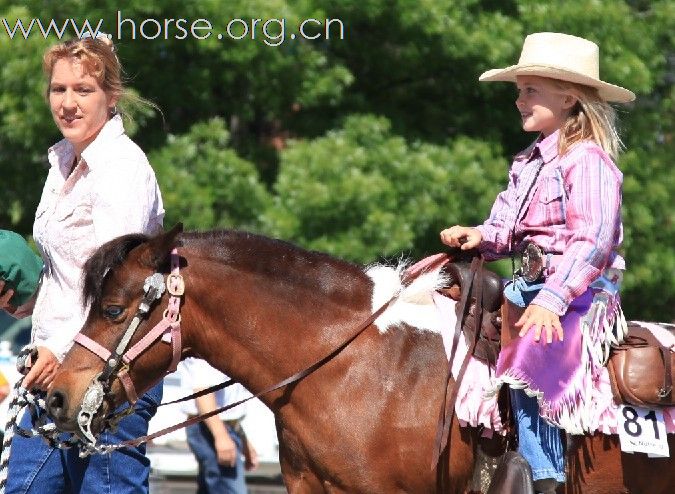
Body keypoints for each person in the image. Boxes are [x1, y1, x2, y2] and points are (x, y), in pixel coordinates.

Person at [440, 32, 634, 493]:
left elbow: (593, 240)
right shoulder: (528, 161)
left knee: (530, 364)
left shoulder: (586, 160)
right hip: (525, 288)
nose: (518, 101)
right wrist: (480, 236)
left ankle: (543, 480)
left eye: (530, 90)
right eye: (518, 90)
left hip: (579, 293)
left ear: (568, 97)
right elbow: (506, 227)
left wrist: (552, 297)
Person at [5, 32, 165, 494]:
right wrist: (30, 297)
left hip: (111, 379)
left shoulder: (121, 171)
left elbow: (119, 287)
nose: (68, 102)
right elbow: (74, 275)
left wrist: (59, 346)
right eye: (59, 89)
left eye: (83, 90)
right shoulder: (62, 164)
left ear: (111, 96)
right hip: (52, 370)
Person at [179, 358, 258, 494]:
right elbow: (202, 393)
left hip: (221, 427)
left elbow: (228, 407)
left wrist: (244, 441)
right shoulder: (207, 348)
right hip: (210, 427)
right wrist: (221, 436)